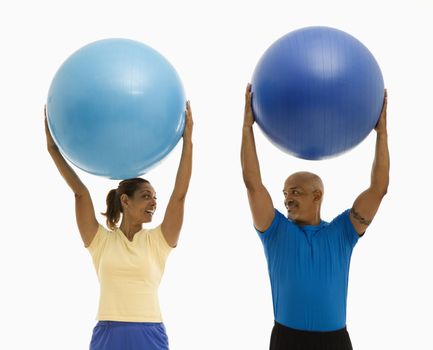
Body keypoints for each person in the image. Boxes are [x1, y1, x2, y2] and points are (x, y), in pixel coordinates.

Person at [241, 84, 389, 350]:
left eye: (295, 192)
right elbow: (253, 185)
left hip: (334, 340)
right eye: (285, 193)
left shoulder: (342, 232)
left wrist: (382, 133)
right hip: (288, 338)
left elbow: (378, 189)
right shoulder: (275, 231)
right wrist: (247, 128)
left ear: (317, 195)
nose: (287, 198)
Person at [45, 102, 193, 350]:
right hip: (108, 334)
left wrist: (187, 142)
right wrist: (52, 149)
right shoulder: (100, 241)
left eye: (155, 197)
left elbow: (179, 194)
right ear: (125, 200)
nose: (154, 202)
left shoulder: (159, 241)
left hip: (149, 333)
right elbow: (80, 193)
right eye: (146, 195)